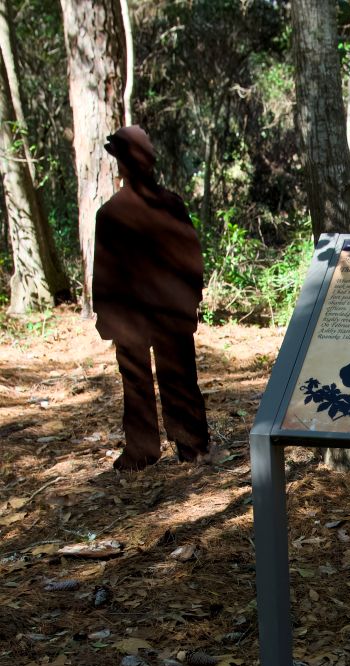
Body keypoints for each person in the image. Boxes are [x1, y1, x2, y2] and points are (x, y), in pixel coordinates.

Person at [93, 125, 212, 471]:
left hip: (149, 315)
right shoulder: (167, 205)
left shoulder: (112, 214)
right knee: (173, 378)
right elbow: (193, 259)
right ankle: (187, 445)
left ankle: (147, 450)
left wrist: (106, 316)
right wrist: (190, 300)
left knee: (143, 382)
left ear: (125, 166)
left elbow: (190, 258)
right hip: (161, 313)